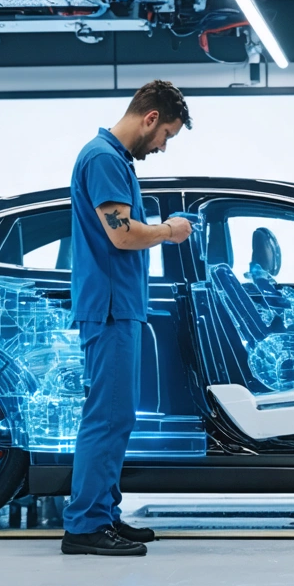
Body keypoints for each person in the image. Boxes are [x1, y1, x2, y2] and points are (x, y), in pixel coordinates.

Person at [61, 81, 193, 556]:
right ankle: (85, 526)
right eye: (167, 136)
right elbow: (122, 236)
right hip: (110, 308)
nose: (162, 147)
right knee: (107, 416)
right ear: (151, 118)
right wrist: (170, 231)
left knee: (117, 417)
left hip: (120, 306)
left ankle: (103, 515)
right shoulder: (103, 159)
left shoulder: (113, 160)